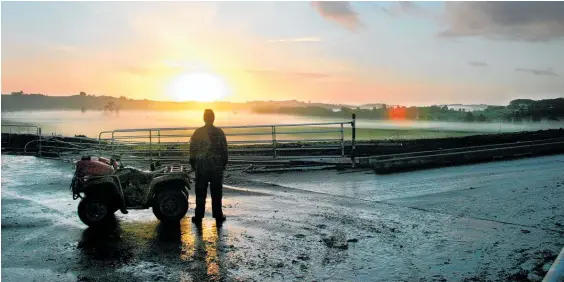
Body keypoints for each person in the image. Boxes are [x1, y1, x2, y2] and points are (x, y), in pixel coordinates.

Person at [189, 109, 228, 225]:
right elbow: (224, 151)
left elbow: (192, 151)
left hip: (201, 167)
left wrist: (194, 165)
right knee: (216, 192)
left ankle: (198, 216)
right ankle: (218, 215)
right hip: (216, 166)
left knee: (200, 192)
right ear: (213, 118)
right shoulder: (219, 132)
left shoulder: (198, 132)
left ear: (204, 118)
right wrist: (223, 164)